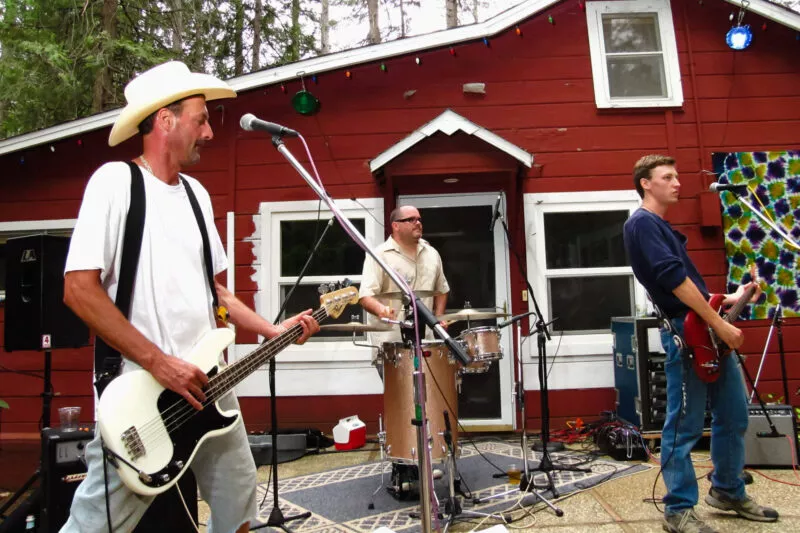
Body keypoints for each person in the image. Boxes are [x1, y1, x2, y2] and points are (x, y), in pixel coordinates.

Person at [60, 61, 319, 533]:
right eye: (200, 119)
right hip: (142, 393)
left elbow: (214, 291)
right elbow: (78, 289)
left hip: (209, 385)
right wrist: (161, 363)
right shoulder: (116, 184)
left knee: (239, 500)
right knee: (94, 525)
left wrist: (272, 330)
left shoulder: (198, 195)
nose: (208, 132)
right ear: (165, 120)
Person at [623, 155, 778, 533]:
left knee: (733, 415)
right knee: (685, 424)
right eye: (668, 177)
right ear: (646, 183)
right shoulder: (642, 224)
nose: (678, 182)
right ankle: (678, 509)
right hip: (687, 334)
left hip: (703, 327)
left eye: (676, 176)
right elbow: (674, 284)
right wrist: (721, 327)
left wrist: (730, 298)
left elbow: (692, 289)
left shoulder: (660, 226)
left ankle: (726, 489)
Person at [359, 205, 450, 377]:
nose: (418, 223)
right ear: (396, 225)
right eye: (411, 219)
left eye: (419, 219)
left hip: (427, 344)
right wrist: (381, 310)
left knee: (430, 401)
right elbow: (365, 296)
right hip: (392, 347)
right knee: (401, 403)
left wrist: (438, 317)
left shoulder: (432, 253)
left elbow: (442, 289)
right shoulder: (379, 255)